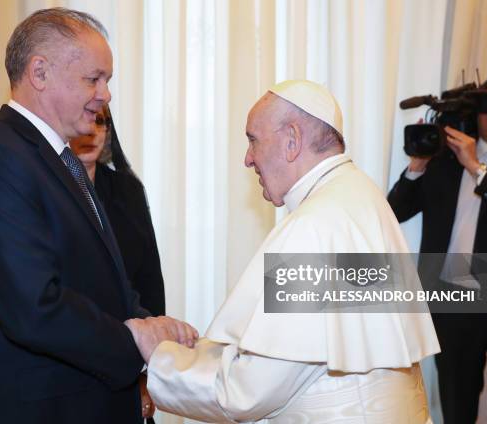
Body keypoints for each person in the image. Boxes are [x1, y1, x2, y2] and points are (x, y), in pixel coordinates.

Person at [0, 8, 196, 424]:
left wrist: (155, 326)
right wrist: (133, 339)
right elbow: (33, 306)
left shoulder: (58, 162)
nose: (106, 94)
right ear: (39, 73)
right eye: (93, 78)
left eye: (107, 81)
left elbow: (99, 283)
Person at [146, 80, 440, 423]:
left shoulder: (313, 226)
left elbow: (247, 393)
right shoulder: (359, 194)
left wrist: (158, 357)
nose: (247, 158)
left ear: (291, 140)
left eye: (253, 139)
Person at [387, 73, 487, 424]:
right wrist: (417, 166)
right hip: (452, 298)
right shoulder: (444, 161)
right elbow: (395, 211)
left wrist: (476, 167)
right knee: (456, 406)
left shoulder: (471, 160)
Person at [70, 105, 165, 420]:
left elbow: (150, 280)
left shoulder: (128, 190)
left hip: (128, 355)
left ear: (109, 131)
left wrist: (150, 372)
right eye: (87, 120)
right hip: (71, 353)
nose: (92, 131)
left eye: (101, 122)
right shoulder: (48, 187)